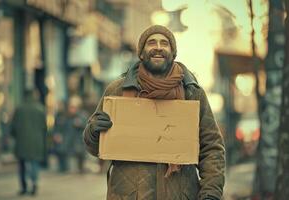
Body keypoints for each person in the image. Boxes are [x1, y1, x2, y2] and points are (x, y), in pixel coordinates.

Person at [83, 25, 225, 200]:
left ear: (173, 53)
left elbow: (212, 148)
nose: (158, 47)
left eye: (164, 43)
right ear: (141, 53)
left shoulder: (192, 94)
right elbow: (95, 147)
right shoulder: (118, 91)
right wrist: (94, 131)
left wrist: (211, 193)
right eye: (151, 43)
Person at [11, 89, 47, 196]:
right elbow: (44, 127)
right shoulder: (40, 109)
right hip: (36, 142)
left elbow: (13, 127)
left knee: (22, 164)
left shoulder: (19, 109)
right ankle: (34, 184)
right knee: (34, 163)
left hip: (21, 142)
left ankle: (23, 187)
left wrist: (15, 136)